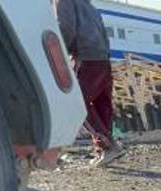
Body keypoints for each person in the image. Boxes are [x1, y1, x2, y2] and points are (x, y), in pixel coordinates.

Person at [54, 0, 126, 166]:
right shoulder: (90, 6)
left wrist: (60, 52)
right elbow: (103, 33)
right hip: (103, 59)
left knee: (76, 103)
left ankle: (108, 146)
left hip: (85, 57)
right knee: (102, 105)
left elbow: (66, 28)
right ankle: (105, 150)